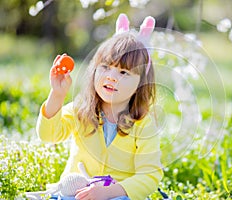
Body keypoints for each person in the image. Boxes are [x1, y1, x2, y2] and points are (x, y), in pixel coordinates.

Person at [36, 13, 163, 200]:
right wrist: (57, 94)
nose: (111, 76)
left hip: (117, 195)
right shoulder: (82, 109)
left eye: (123, 72)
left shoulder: (143, 123)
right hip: (75, 194)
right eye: (105, 67)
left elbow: (149, 175)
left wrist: (107, 192)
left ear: (141, 83)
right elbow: (48, 135)